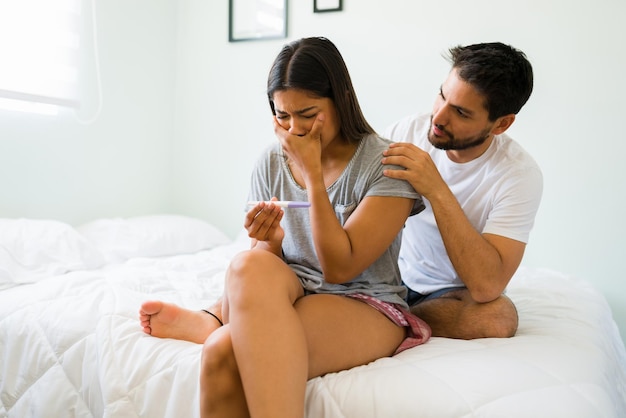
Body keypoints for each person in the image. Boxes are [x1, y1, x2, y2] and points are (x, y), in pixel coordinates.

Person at [139, 36, 430, 418]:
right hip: (294, 292)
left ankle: (211, 322)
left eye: (308, 115)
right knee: (247, 265)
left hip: (363, 300)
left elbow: (340, 268)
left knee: (221, 353)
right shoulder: (270, 162)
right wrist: (272, 243)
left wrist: (311, 173)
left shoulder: (386, 164)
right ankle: (213, 318)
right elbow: (266, 266)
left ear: (341, 97)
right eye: (282, 116)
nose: (295, 130)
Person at [381, 42, 543, 340]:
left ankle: (389, 319)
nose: (439, 117)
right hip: (391, 279)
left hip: (448, 295)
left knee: (498, 319)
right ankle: (389, 314)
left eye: (460, 112)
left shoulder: (518, 175)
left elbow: (486, 286)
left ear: (501, 124)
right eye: (442, 95)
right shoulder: (406, 132)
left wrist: (436, 189)